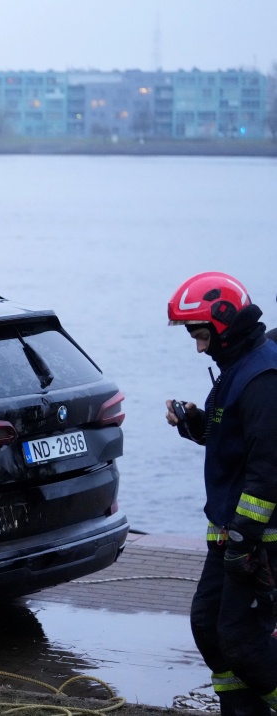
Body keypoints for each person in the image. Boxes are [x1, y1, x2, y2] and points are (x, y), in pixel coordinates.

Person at [164, 272, 277, 716]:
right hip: (232, 536)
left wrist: (245, 540)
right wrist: (193, 422)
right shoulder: (241, 367)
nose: (199, 348)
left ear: (224, 323)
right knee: (209, 626)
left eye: (201, 336)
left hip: (257, 540)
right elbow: (231, 439)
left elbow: (268, 470)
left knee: (243, 641)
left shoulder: (263, 378)